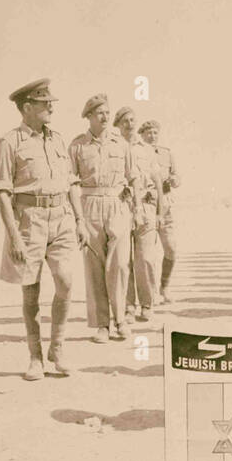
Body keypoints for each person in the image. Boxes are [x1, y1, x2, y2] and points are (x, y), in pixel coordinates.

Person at [0, 80, 86, 380]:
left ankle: (57, 350)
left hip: (60, 218)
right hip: (29, 221)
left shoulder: (58, 140)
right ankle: (35, 358)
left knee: (66, 281)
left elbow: (71, 182)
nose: (51, 107)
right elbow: (3, 192)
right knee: (30, 293)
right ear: (27, 107)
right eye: (45, 103)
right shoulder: (9, 142)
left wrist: (80, 219)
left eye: (51, 102)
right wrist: (14, 236)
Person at [70, 94, 138, 343]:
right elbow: (71, 184)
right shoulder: (77, 146)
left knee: (119, 265)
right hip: (89, 207)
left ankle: (120, 319)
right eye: (99, 112)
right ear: (88, 116)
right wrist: (78, 219)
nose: (106, 116)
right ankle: (102, 324)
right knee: (95, 267)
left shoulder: (121, 144)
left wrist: (136, 206)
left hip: (118, 204)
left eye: (107, 112)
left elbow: (133, 178)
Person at [115, 106, 160, 324]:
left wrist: (160, 211)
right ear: (118, 125)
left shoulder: (147, 150)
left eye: (133, 120)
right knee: (124, 261)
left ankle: (147, 304)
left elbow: (157, 180)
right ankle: (128, 307)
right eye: (125, 121)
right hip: (123, 207)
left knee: (146, 259)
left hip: (146, 208)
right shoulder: (114, 147)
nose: (130, 124)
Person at [140, 119, 180, 303]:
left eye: (155, 132)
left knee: (171, 249)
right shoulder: (137, 152)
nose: (152, 136)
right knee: (147, 254)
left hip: (165, 206)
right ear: (142, 135)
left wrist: (175, 180)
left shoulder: (167, 153)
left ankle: (165, 287)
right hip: (146, 204)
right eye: (148, 132)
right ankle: (150, 292)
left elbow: (177, 176)